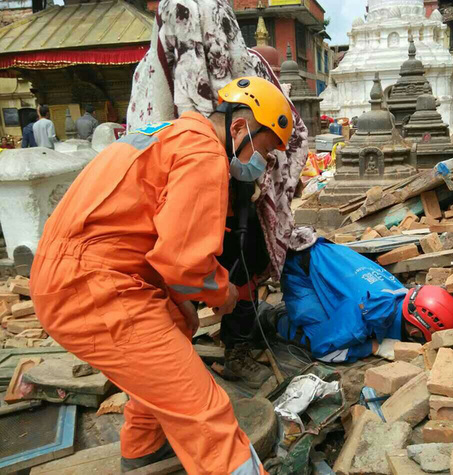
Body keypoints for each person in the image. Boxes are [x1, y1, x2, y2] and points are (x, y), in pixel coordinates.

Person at [31, 76, 292, 474]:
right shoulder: (205, 155)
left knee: (174, 333)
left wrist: (183, 301)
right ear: (240, 128)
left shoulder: (173, 134)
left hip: (78, 272)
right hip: (92, 286)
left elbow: (149, 237)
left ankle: (143, 449)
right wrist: (223, 293)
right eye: (266, 149)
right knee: (206, 412)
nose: (261, 163)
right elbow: (184, 262)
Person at [127, 0, 314, 390]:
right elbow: (177, 258)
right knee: (171, 276)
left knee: (246, 261)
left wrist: (256, 178)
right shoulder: (155, 77)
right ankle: (168, 359)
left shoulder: (249, 73)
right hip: (180, 203)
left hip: (238, 196)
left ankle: (236, 350)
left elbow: (287, 136)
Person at [269, 238, 453, 363]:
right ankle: (270, 317)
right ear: (414, 332)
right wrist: (374, 347)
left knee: (340, 312)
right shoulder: (359, 321)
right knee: (312, 336)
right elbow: (321, 350)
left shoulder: (400, 293)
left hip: (330, 257)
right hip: (300, 267)